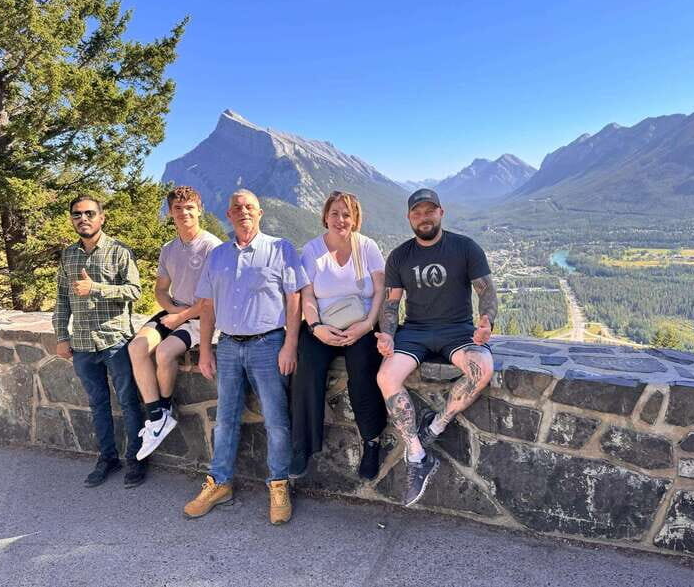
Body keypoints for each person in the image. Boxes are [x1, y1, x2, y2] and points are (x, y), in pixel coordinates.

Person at [183, 189, 308, 525]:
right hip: (227, 346)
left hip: (269, 345)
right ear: (228, 214)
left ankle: (279, 484)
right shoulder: (218, 255)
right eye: (237, 207)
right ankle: (219, 483)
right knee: (225, 420)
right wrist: (205, 349)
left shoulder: (280, 249)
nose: (243, 211)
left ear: (260, 212)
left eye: (249, 206)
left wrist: (290, 345)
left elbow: (294, 299)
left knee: (276, 421)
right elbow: (207, 306)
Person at [375, 188, 498, 507]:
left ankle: (436, 424)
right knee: (387, 378)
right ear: (409, 218)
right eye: (417, 213)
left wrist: (486, 321)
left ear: (441, 213)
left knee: (482, 369)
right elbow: (390, 306)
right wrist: (387, 334)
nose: (423, 217)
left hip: (457, 330)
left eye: (429, 211)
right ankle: (417, 455)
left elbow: (486, 292)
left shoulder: (464, 247)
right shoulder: (400, 256)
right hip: (415, 331)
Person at [290, 191, 388, 480]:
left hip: (362, 325)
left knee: (362, 368)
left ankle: (371, 441)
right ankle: (302, 447)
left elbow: (381, 290)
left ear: (355, 218)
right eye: (335, 213)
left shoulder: (367, 247)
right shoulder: (312, 251)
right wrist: (316, 327)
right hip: (324, 325)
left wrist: (369, 324)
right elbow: (307, 295)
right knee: (307, 364)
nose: (340, 219)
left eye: (347, 214)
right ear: (325, 216)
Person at [52, 195, 147, 488]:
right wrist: (60, 336)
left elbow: (135, 291)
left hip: (115, 341)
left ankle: (136, 460)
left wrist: (96, 288)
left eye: (89, 213)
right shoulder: (68, 255)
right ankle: (107, 458)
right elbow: (61, 299)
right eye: (77, 214)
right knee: (98, 404)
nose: (83, 219)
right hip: (81, 344)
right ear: (72, 219)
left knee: (130, 403)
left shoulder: (119, 252)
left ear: (101, 217)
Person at [128, 186, 222, 460]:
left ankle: (165, 408)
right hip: (176, 309)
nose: (184, 213)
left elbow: (212, 299)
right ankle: (157, 416)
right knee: (137, 348)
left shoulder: (211, 247)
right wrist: (171, 310)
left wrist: (180, 317)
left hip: (201, 316)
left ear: (199, 209)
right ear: (170, 213)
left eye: (189, 207)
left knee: (165, 352)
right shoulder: (169, 249)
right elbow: (160, 290)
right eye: (178, 209)